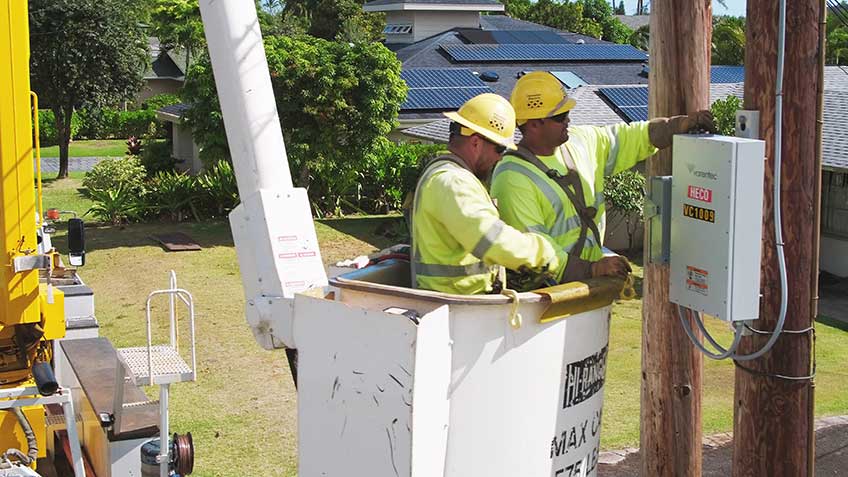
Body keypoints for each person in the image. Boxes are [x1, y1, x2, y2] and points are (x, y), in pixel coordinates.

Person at [490, 71, 714, 289]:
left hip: (588, 287)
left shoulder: (580, 142)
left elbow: (630, 137)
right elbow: (533, 251)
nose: (568, 119)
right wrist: (593, 269)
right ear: (533, 124)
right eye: (559, 116)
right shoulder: (512, 178)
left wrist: (676, 126)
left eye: (567, 112)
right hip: (547, 297)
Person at [411, 93, 561, 295]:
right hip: (457, 310)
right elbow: (492, 240)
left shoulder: (448, 176)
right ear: (475, 142)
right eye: (499, 148)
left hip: (455, 306)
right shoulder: (454, 182)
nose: (500, 158)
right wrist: (543, 254)